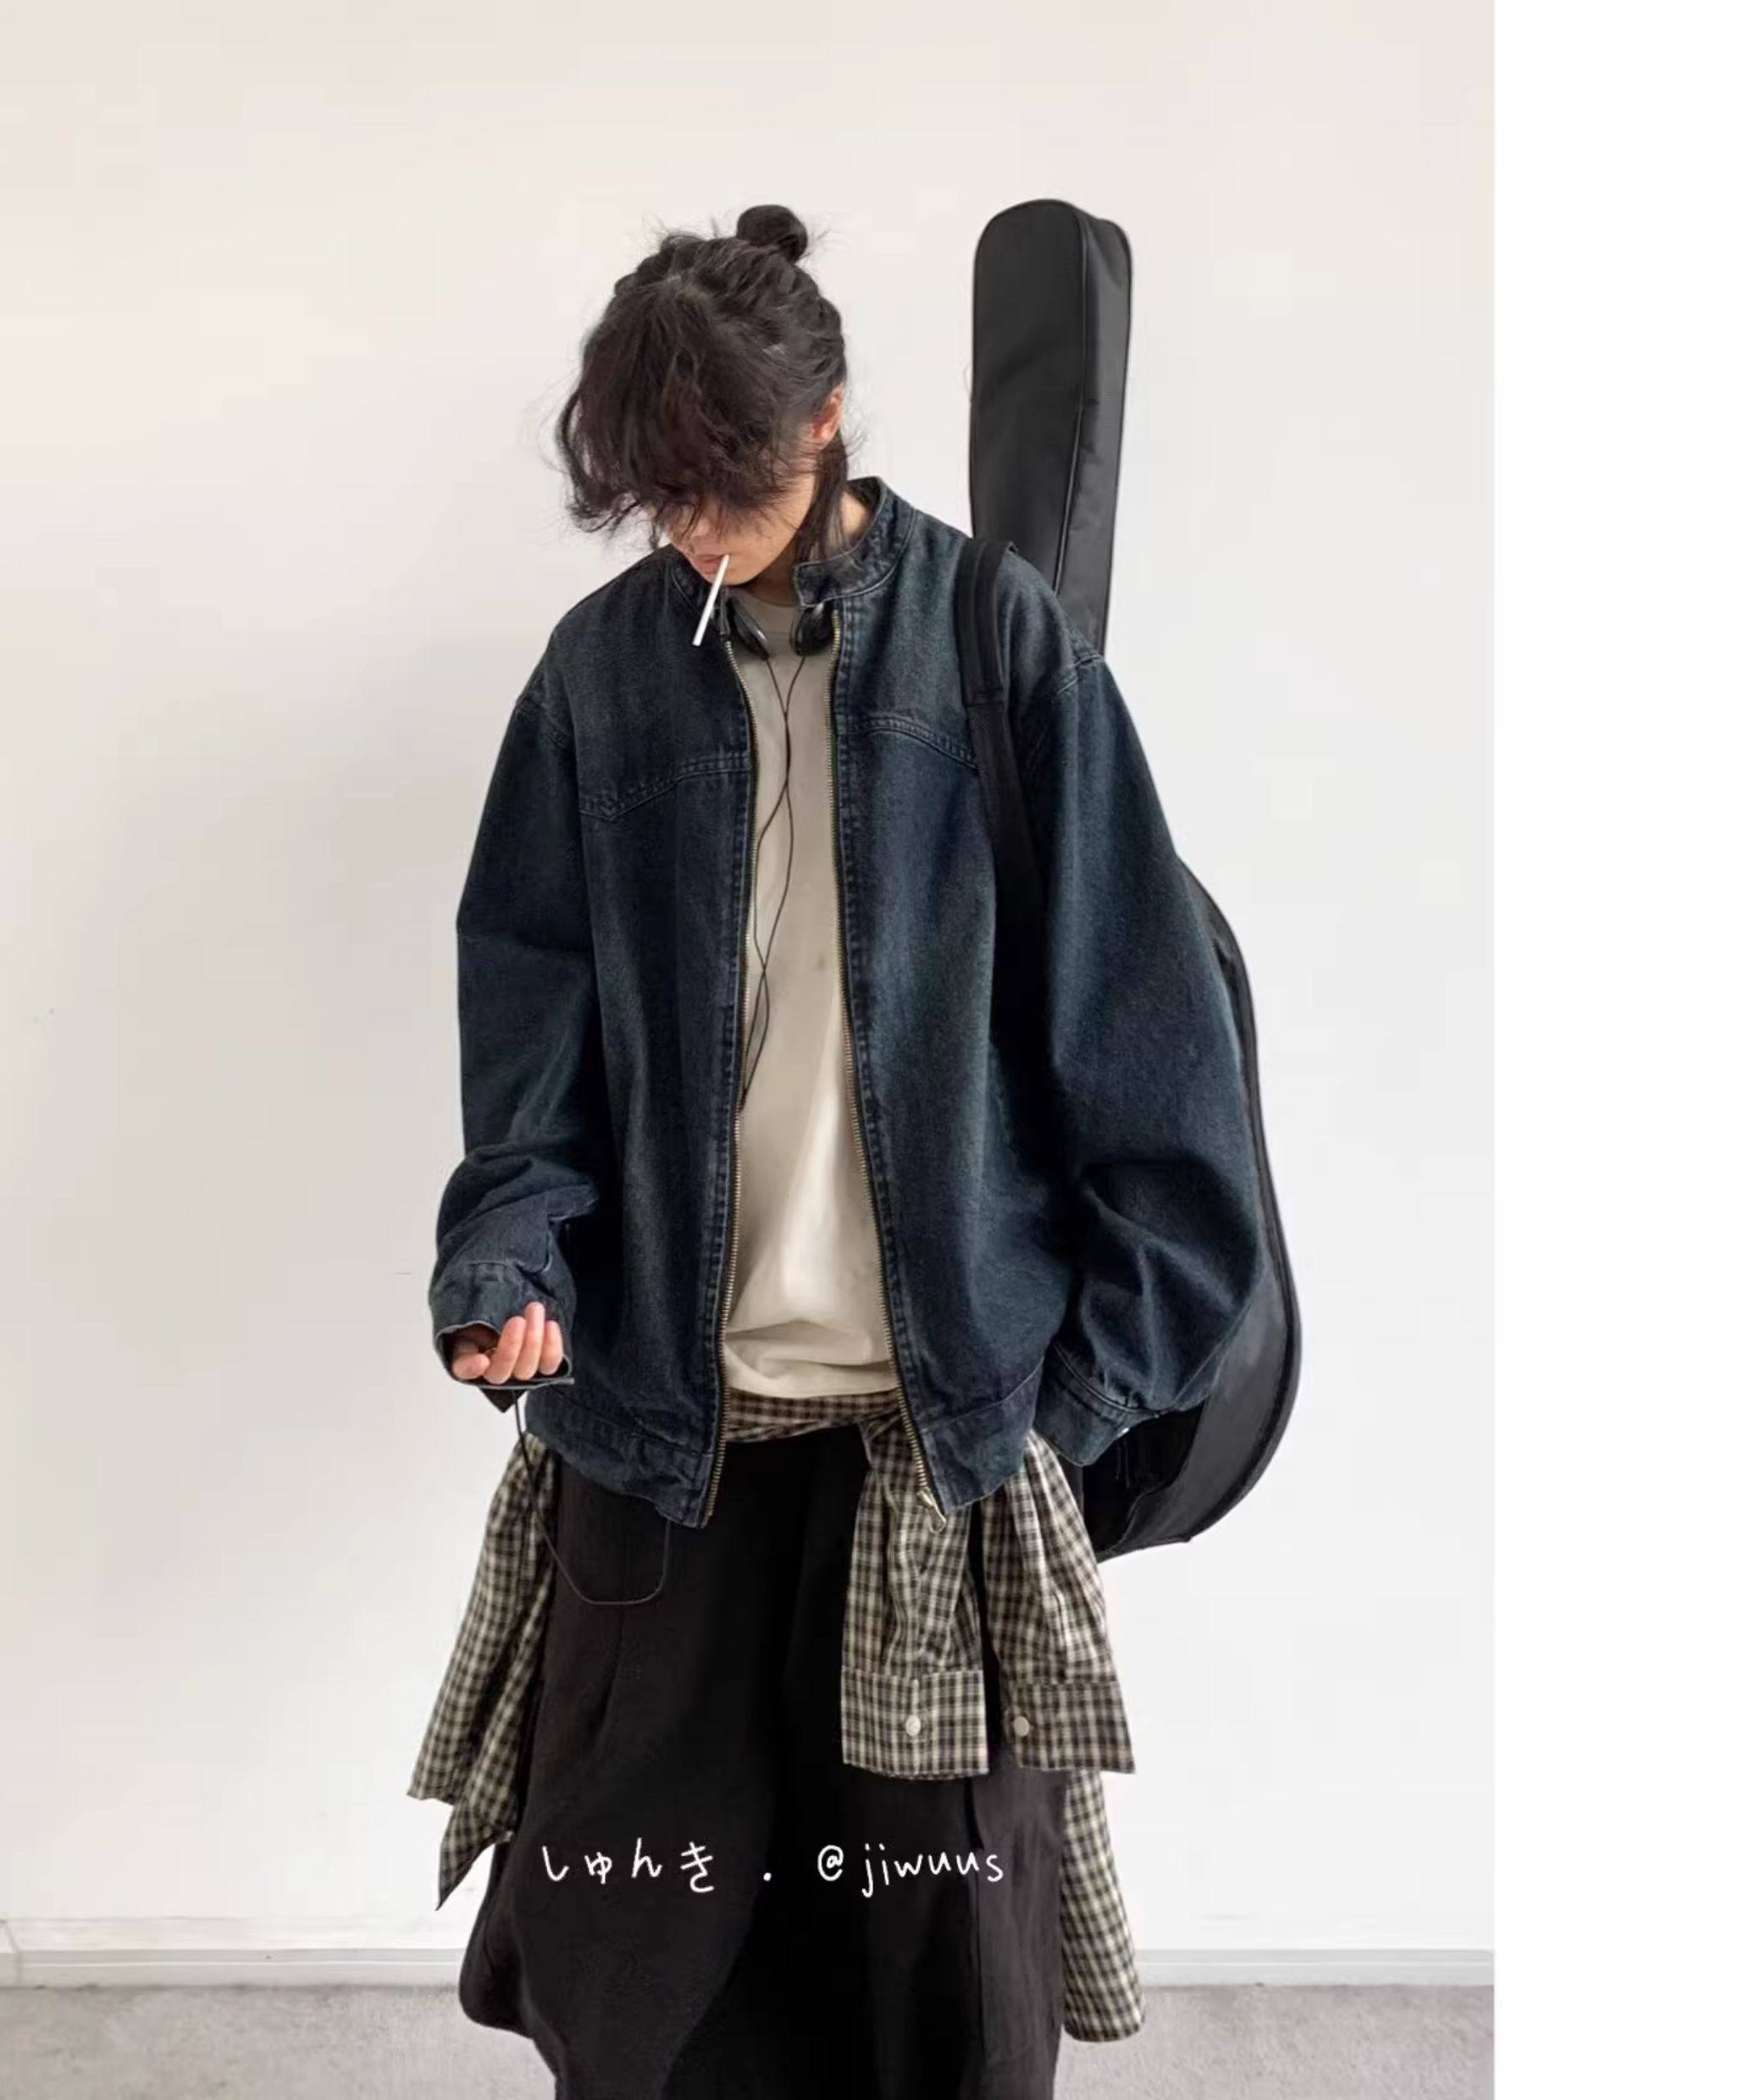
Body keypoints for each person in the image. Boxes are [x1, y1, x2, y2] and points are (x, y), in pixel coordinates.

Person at [408, 204, 1265, 2099]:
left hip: (930, 1457)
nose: (691, 533)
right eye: (655, 498)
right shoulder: (600, 677)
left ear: (826, 419)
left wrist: (1053, 1408)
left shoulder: (994, 650)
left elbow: (1157, 1075)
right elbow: (531, 1038)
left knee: (934, 2001)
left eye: (719, 486)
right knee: (638, 1979)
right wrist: (509, 1268)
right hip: (663, 1446)